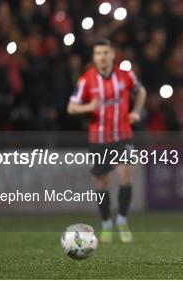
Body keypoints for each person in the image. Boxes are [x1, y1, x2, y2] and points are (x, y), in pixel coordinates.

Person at [67, 39, 146, 243]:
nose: (101, 56)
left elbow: (141, 91)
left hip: (122, 135)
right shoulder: (86, 80)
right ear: (94, 57)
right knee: (102, 183)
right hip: (98, 138)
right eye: (98, 53)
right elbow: (71, 107)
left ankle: (121, 219)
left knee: (125, 177)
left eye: (105, 52)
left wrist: (136, 111)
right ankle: (106, 224)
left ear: (112, 54)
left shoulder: (125, 75)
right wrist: (88, 107)